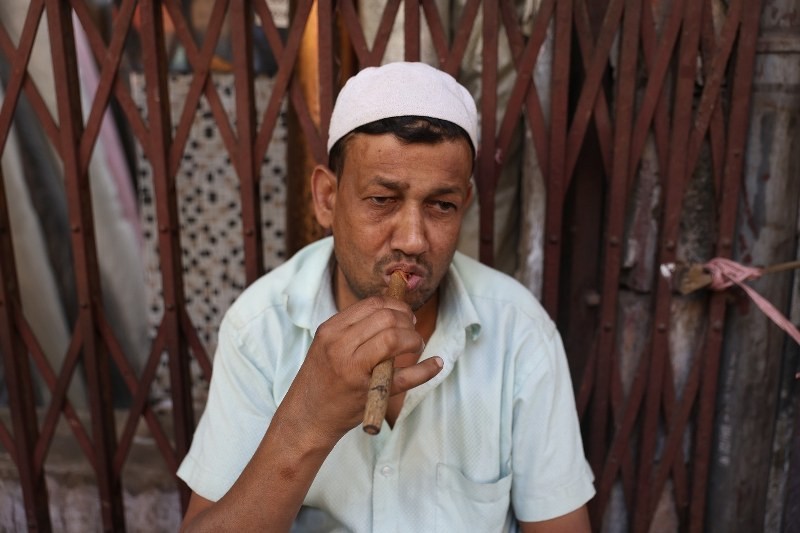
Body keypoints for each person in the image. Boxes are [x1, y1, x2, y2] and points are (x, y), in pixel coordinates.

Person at [177, 61, 595, 532]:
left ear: (465, 206)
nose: (413, 240)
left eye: (441, 205)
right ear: (327, 198)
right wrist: (308, 422)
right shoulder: (259, 328)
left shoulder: (520, 333)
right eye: (382, 200)